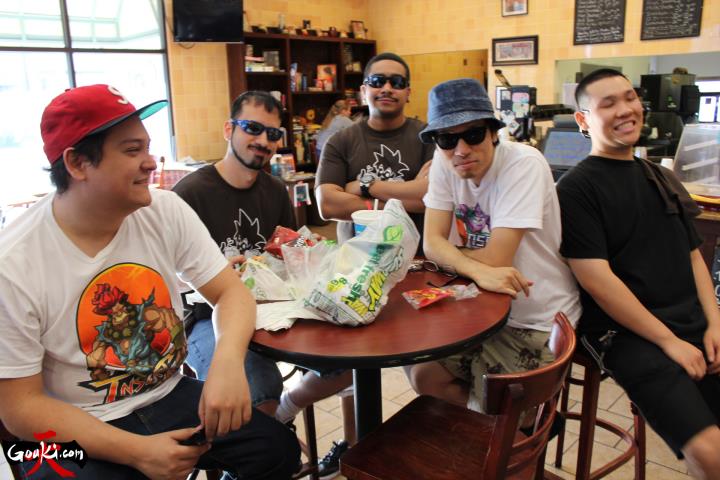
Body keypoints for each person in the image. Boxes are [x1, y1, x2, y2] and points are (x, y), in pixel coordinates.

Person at [0, 84, 300, 479]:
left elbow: (230, 292)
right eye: (132, 151)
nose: (150, 162)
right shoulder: (13, 262)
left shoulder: (164, 210)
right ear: (77, 163)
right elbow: (20, 408)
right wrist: (137, 452)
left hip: (167, 393)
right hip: (70, 425)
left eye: (147, 147)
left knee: (277, 450)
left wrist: (227, 364)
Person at [172, 90, 349, 479]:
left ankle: (283, 415)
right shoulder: (188, 194)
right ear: (228, 129)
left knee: (348, 362)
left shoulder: (274, 190)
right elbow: (166, 274)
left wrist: (312, 257)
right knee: (257, 391)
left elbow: (287, 254)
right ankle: (254, 458)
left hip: (272, 308)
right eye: (252, 128)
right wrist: (211, 274)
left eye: (273, 134)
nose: (263, 141)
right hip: (205, 316)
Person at [557, 68, 720, 478]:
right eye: (608, 103)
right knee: (711, 450)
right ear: (583, 119)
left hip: (691, 322)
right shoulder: (575, 190)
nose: (625, 109)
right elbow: (598, 280)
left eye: (630, 98)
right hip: (626, 335)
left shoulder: (661, 176)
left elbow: (693, 256)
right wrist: (669, 342)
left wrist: (716, 322)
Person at [406, 78, 582, 413]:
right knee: (425, 377)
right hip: (480, 308)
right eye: (447, 139)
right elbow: (431, 243)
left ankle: (513, 428)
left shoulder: (523, 164)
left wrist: (453, 256)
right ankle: (495, 424)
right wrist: (476, 270)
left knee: (497, 407)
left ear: (493, 133)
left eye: (473, 134)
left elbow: (497, 258)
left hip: (534, 318)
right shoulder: (444, 162)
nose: (461, 149)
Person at [315, 52, 435, 246]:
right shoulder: (340, 141)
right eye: (377, 81)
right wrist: (407, 196)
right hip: (356, 258)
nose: (387, 88)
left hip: (417, 256)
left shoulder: (428, 137)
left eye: (396, 82)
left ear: (408, 93)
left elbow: (428, 198)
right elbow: (328, 205)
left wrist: (365, 186)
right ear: (363, 91)